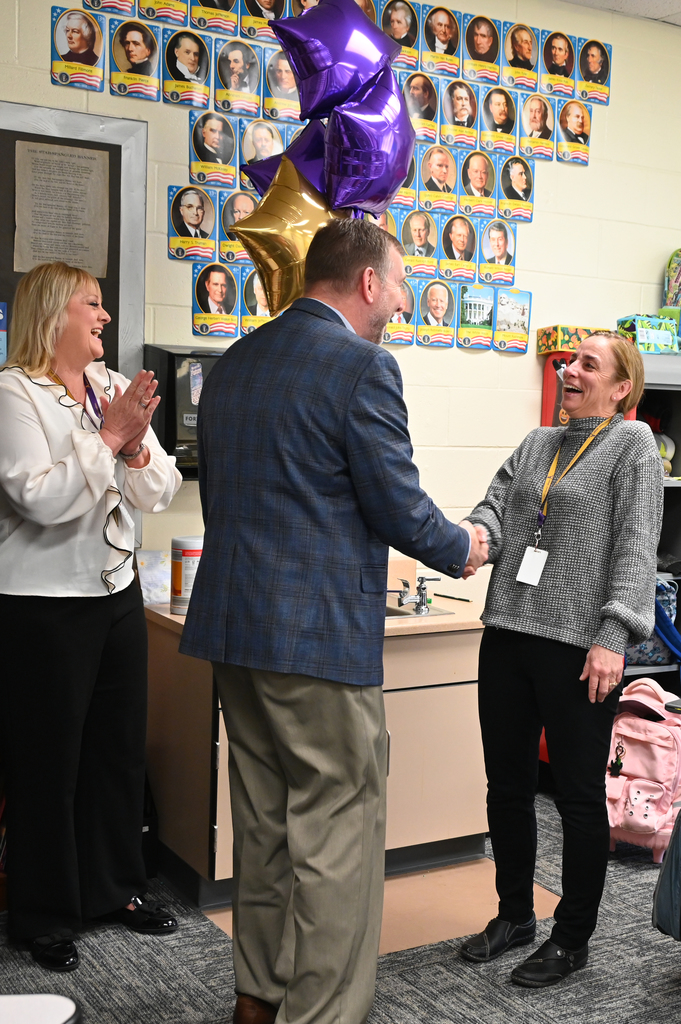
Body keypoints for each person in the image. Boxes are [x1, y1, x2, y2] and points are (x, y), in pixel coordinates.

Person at [179, 218, 488, 1024]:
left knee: (264, 824)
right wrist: (464, 547)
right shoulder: (361, 367)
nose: (401, 298)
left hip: (233, 627)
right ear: (364, 282)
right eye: (397, 281)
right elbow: (396, 505)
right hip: (314, 640)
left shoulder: (236, 361)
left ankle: (258, 995)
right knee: (337, 833)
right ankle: (320, 1014)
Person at [459, 333, 662, 988]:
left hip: (579, 648)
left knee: (576, 799)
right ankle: (514, 914)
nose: (567, 370)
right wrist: (477, 534)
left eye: (585, 364)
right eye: (566, 360)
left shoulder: (630, 445)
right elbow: (495, 499)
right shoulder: (537, 443)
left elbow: (637, 547)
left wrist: (614, 635)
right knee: (507, 786)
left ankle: (570, 938)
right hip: (507, 632)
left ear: (620, 387)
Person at [0, 262, 182, 973]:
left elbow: (158, 489)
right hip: (42, 607)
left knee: (115, 752)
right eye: (93, 305)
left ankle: (114, 890)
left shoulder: (109, 390)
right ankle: (42, 914)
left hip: (115, 598)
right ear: (54, 315)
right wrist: (108, 440)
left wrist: (133, 442)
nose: (105, 318)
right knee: (48, 764)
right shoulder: (14, 394)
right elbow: (39, 500)